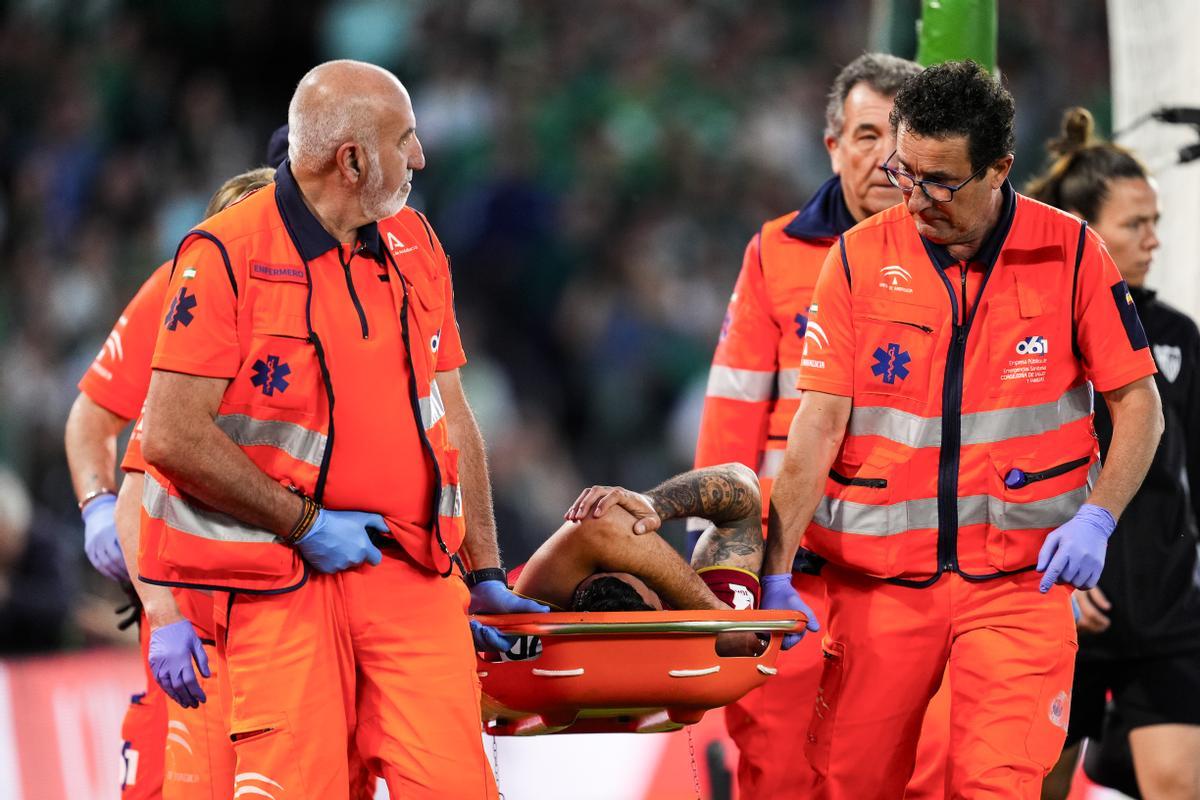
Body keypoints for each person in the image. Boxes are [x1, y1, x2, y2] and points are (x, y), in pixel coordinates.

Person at [138, 60, 542, 800]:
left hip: (412, 575)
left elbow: (455, 416)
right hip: (282, 585)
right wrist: (305, 522)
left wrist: (484, 572)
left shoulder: (416, 241)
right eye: (405, 139)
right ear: (351, 160)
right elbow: (168, 436)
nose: (420, 157)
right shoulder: (225, 255)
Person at [765, 60, 1164, 798]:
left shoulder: (1071, 254)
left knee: (996, 785)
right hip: (878, 589)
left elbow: (1139, 405)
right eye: (904, 171)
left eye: (942, 181)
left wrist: (1098, 520)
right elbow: (816, 426)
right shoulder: (856, 260)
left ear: (999, 170)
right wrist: (777, 565)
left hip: (1020, 583)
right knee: (850, 785)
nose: (916, 198)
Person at [693, 52, 950, 798]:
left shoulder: (957, 255)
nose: (882, 157)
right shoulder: (777, 252)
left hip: (907, 571)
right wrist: (712, 564)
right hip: (786, 564)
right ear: (832, 143)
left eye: (898, 139)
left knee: (899, 774)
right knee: (775, 763)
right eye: (865, 135)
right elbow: (734, 407)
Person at [65, 167, 275, 800]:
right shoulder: (180, 290)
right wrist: (100, 508)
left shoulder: (316, 308)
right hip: (188, 608)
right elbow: (97, 422)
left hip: (273, 609)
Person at [1028, 108, 1200, 800]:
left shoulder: (1176, 334)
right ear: (1086, 234)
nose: (1155, 240)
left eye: (1155, 221)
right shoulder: (1036, 334)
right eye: (1137, 225)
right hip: (1057, 608)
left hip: (1164, 613)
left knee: (1180, 785)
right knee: (1034, 787)